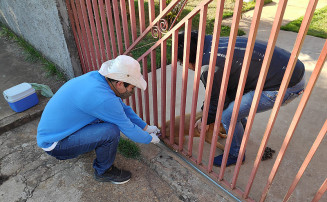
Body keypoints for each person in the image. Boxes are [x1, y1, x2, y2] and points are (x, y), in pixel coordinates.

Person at [177, 31, 305, 167]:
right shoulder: (212, 42)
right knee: (230, 106)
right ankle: (239, 129)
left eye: (181, 62)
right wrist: (206, 111)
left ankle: (235, 155)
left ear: (187, 59)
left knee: (227, 115)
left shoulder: (208, 66)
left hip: (286, 86)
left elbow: (217, 100)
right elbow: (222, 92)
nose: (183, 66)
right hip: (292, 68)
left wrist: (205, 120)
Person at [37, 55, 160, 184]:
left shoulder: (98, 79)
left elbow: (123, 109)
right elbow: (129, 128)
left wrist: (146, 127)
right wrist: (149, 138)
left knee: (107, 119)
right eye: (132, 87)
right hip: (56, 145)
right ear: (119, 84)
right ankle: (103, 171)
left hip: (55, 132)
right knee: (111, 131)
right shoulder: (104, 99)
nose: (133, 91)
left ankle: (85, 143)